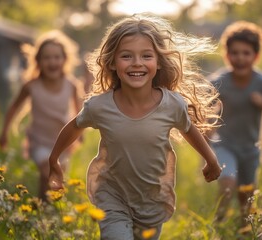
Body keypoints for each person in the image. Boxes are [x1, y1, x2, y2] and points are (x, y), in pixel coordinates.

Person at [48, 13, 222, 240]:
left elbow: (188, 129)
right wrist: (54, 161)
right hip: (112, 195)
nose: (137, 63)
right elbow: (72, 128)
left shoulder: (172, 104)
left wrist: (211, 159)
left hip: (151, 200)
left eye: (146, 56)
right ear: (112, 61)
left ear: (158, 62)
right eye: (127, 56)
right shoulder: (100, 106)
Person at [209, 21, 262, 226]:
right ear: (226, 55)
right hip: (223, 145)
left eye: (246, 53)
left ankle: (245, 232)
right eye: (234, 53)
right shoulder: (219, 82)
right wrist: (212, 119)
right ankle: (218, 227)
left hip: (250, 149)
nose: (240, 58)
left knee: (246, 198)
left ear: (256, 56)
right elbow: (200, 114)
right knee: (227, 183)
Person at [0, 30, 82, 201]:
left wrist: (80, 134)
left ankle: (43, 211)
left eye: (56, 57)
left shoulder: (71, 85)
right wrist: (4, 132)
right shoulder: (32, 86)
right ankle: (47, 210)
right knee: (47, 170)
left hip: (63, 142)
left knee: (52, 180)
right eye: (47, 57)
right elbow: (14, 108)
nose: (52, 61)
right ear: (38, 61)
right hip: (39, 141)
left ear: (64, 60)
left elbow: (80, 111)